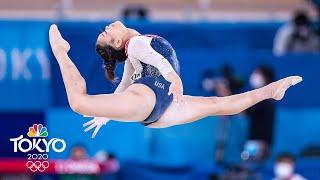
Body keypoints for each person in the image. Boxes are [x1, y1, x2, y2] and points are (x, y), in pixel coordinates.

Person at [49, 21, 303, 138]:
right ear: (118, 42)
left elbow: (124, 85)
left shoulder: (131, 54)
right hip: (156, 97)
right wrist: (173, 78)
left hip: (158, 106)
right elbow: (157, 61)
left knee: (219, 105)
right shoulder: (136, 44)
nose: (107, 27)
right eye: (106, 33)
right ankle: (62, 53)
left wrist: (106, 115)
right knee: (78, 103)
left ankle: (271, 90)